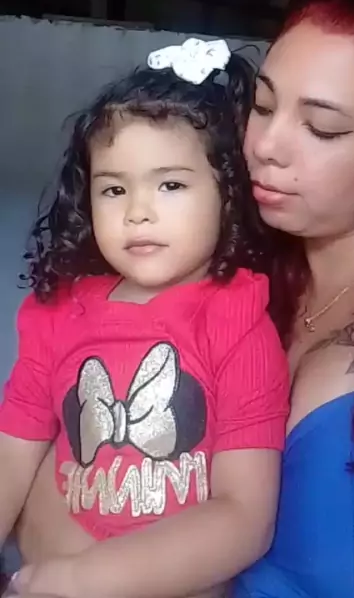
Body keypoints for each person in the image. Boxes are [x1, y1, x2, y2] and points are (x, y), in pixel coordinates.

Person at [8, 0, 354, 598]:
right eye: (262, 105)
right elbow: (62, 483)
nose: (265, 146)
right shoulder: (210, 265)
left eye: (321, 128)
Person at [0, 38, 289, 598]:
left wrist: (87, 579)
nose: (137, 211)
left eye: (171, 184)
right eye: (113, 188)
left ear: (228, 194)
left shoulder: (239, 319)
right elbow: (12, 453)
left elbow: (243, 515)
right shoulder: (56, 312)